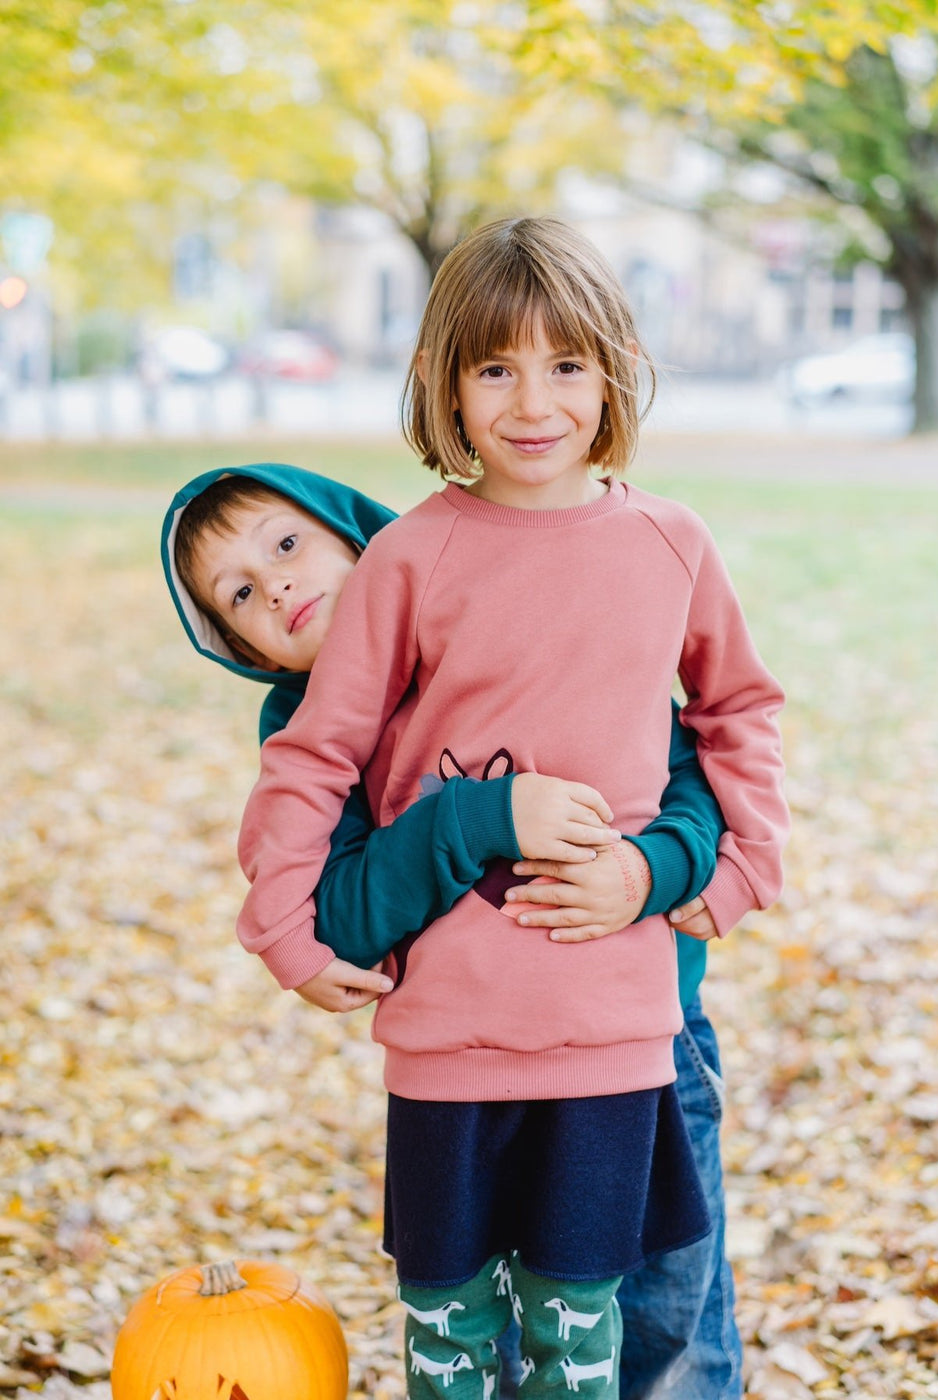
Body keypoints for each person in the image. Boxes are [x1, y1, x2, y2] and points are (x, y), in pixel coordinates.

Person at [194, 217, 788, 1399]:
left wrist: (734, 872)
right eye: (494, 367)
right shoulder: (410, 561)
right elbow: (317, 753)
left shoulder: (671, 542)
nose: (533, 401)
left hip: (620, 1023)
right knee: (457, 1344)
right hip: (450, 1037)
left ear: (613, 368)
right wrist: (284, 929)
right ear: (445, 386)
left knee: (619, 1329)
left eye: (566, 363)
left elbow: (736, 708)